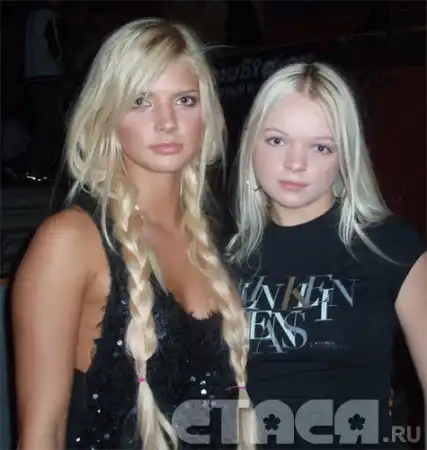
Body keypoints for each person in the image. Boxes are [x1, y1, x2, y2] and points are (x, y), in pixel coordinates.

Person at [12, 18, 257, 450]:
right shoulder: (70, 242)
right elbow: (42, 434)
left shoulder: (224, 236)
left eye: (184, 100)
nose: (167, 122)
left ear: (207, 113)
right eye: (140, 101)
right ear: (107, 115)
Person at [227, 62, 426, 448]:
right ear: (250, 142)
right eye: (277, 140)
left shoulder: (389, 245)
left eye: (320, 147)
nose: (295, 163)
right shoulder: (220, 257)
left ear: (344, 157)